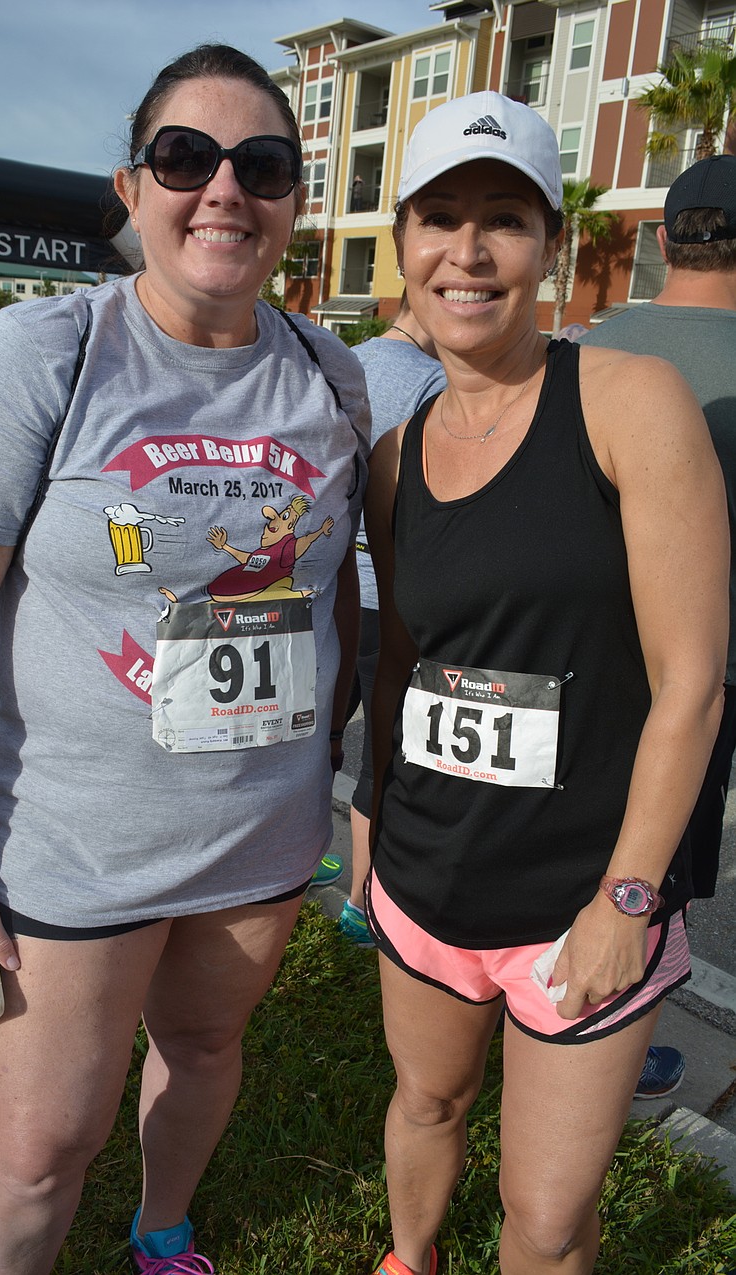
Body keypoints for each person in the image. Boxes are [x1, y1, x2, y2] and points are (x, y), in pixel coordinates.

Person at [0, 44, 369, 1275]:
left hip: (259, 837)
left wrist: (333, 767)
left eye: (260, 165)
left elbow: (333, 602)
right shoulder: (46, 355)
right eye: (183, 158)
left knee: (205, 1053)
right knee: (42, 1140)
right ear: (130, 187)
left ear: (293, 202)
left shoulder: (331, 374)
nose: (222, 190)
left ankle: (163, 1233)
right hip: (75, 846)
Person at [363, 91, 728, 1275]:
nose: (467, 252)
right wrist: (371, 816)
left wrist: (629, 897)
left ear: (549, 247)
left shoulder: (629, 403)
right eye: (440, 219)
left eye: (503, 220)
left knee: (549, 1217)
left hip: (580, 901)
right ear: (404, 251)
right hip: (426, 870)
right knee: (424, 1106)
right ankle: (407, 1258)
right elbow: (400, 655)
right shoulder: (396, 454)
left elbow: (692, 683)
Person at [580, 153, 736, 1101]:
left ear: (666, 238)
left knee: (587, 853)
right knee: (657, 874)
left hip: (588, 662)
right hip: (711, 675)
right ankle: (616, 1053)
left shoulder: (587, 346)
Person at [337, 294, 446, 947]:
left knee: (315, 739)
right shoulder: (435, 383)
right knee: (384, 758)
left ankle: (313, 880)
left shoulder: (347, 362)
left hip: (329, 586)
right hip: (392, 599)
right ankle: (364, 901)